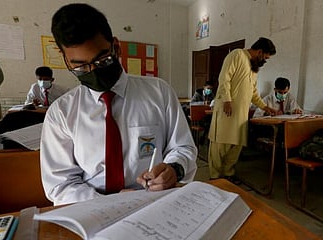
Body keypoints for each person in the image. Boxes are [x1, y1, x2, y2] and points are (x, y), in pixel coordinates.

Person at [41, 3, 197, 205]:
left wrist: (174, 169)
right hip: (90, 207)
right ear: (66, 61)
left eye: (102, 60)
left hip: (153, 202)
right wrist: (109, 202)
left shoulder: (159, 92)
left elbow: (183, 146)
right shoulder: (61, 113)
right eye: (80, 66)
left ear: (116, 47)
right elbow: (59, 185)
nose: (94, 71)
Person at [207, 37, 278, 181]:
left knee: (236, 145)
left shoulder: (253, 67)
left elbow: (253, 92)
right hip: (227, 110)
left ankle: (228, 173)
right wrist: (227, 99)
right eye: (265, 57)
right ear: (259, 51)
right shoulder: (237, 55)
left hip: (241, 115)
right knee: (220, 145)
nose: (265, 61)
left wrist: (265, 107)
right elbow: (224, 78)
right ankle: (215, 176)